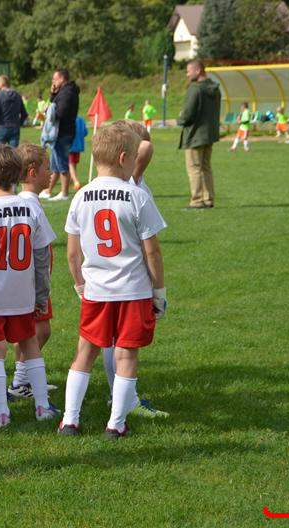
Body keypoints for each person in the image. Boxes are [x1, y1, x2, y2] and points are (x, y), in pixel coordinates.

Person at [59, 124, 167, 438]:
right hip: (133, 291)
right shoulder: (137, 196)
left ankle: (70, 421)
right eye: (133, 157)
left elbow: (72, 252)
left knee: (84, 353)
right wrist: (159, 291)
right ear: (123, 158)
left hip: (96, 290)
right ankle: (116, 424)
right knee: (126, 354)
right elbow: (152, 252)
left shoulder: (80, 196)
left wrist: (80, 284)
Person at [0, 145, 55, 429]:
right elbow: (42, 257)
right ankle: (42, 406)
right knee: (30, 346)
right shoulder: (32, 208)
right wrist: (42, 293)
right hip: (23, 295)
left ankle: (1, 412)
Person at [8, 144, 57, 401]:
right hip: (33, 280)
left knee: (29, 331)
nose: (51, 173)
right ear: (31, 172)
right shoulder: (31, 206)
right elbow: (41, 248)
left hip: (26, 278)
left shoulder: (23, 202)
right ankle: (21, 380)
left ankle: (22, 380)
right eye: (47, 168)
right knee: (41, 331)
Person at [178, 59, 220, 209]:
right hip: (209, 135)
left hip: (195, 135)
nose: (187, 74)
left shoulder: (195, 89)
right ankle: (208, 199)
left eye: (188, 71)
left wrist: (180, 119)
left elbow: (187, 114)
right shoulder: (215, 88)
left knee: (194, 168)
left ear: (198, 70)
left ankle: (196, 200)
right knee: (206, 167)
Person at [40, 68, 80, 201]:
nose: (53, 81)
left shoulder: (68, 93)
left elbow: (60, 113)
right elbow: (55, 103)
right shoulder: (63, 92)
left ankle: (64, 193)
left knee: (62, 164)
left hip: (63, 133)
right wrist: (53, 93)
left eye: (55, 79)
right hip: (61, 133)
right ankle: (48, 191)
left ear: (62, 79)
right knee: (55, 165)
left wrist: (48, 110)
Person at [0, 75, 27, 147]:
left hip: (1, 127)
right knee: (13, 152)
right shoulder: (17, 95)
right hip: (14, 128)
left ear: (2, 83)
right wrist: (19, 123)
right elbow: (24, 114)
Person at [68, 116, 88, 191]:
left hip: (70, 146)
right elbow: (85, 132)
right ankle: (71, 179)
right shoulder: (81, 119)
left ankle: (76, 181)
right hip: (79, 146)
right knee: (74, 164)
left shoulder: (68, 119)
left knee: (70, 164)